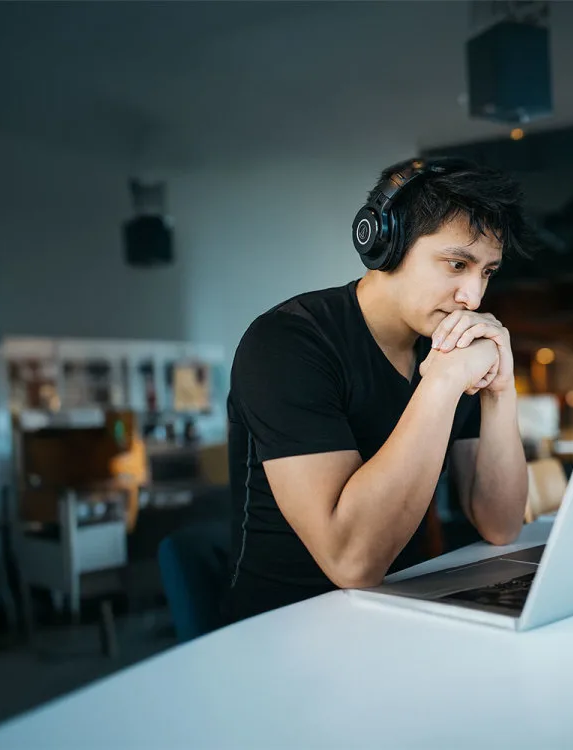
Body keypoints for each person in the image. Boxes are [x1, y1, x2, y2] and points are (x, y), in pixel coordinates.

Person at [222, 157, 533, 624]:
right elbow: (351, 561)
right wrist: (444, 381)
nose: (474, 297)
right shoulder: (287, 344)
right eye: (457, 264)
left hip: (396, 611)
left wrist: (500, 390)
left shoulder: (444, 344)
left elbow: (501, 522)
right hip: (281, 626)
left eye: (487, 272)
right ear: (386, 245)